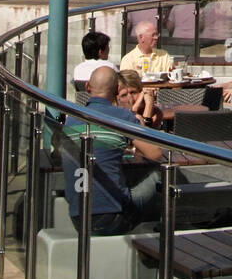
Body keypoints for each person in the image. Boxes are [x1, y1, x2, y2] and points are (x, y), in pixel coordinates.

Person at [58, 66, 163, 236]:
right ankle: (160, 237)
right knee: (161, 173)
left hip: (78, 218)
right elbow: (155, 153)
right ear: (116, 91)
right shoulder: (121, 117)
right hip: (113, 218)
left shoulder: (71, 120)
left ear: (87, 87)